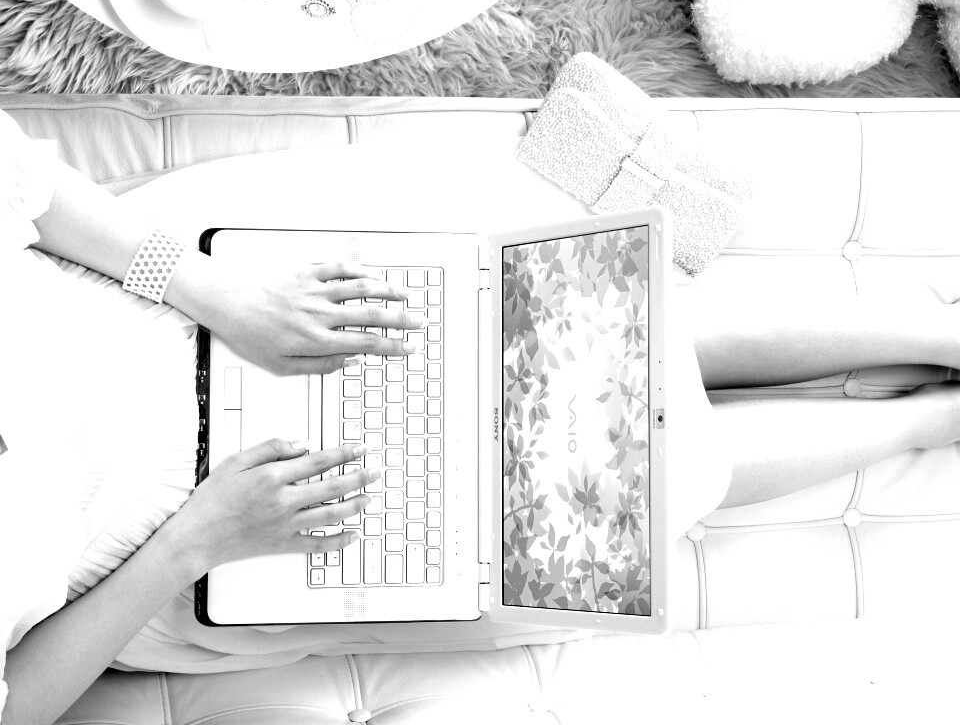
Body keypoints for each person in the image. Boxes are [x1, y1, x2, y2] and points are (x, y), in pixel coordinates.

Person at [3, 111, 960, 725]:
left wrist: (224, 294)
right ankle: (927, 423)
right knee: (598, 499)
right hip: (186, 550)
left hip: (193, 309)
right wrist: (196, 540)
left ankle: (938, 335)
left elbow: (27, 187)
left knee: (582, 330)